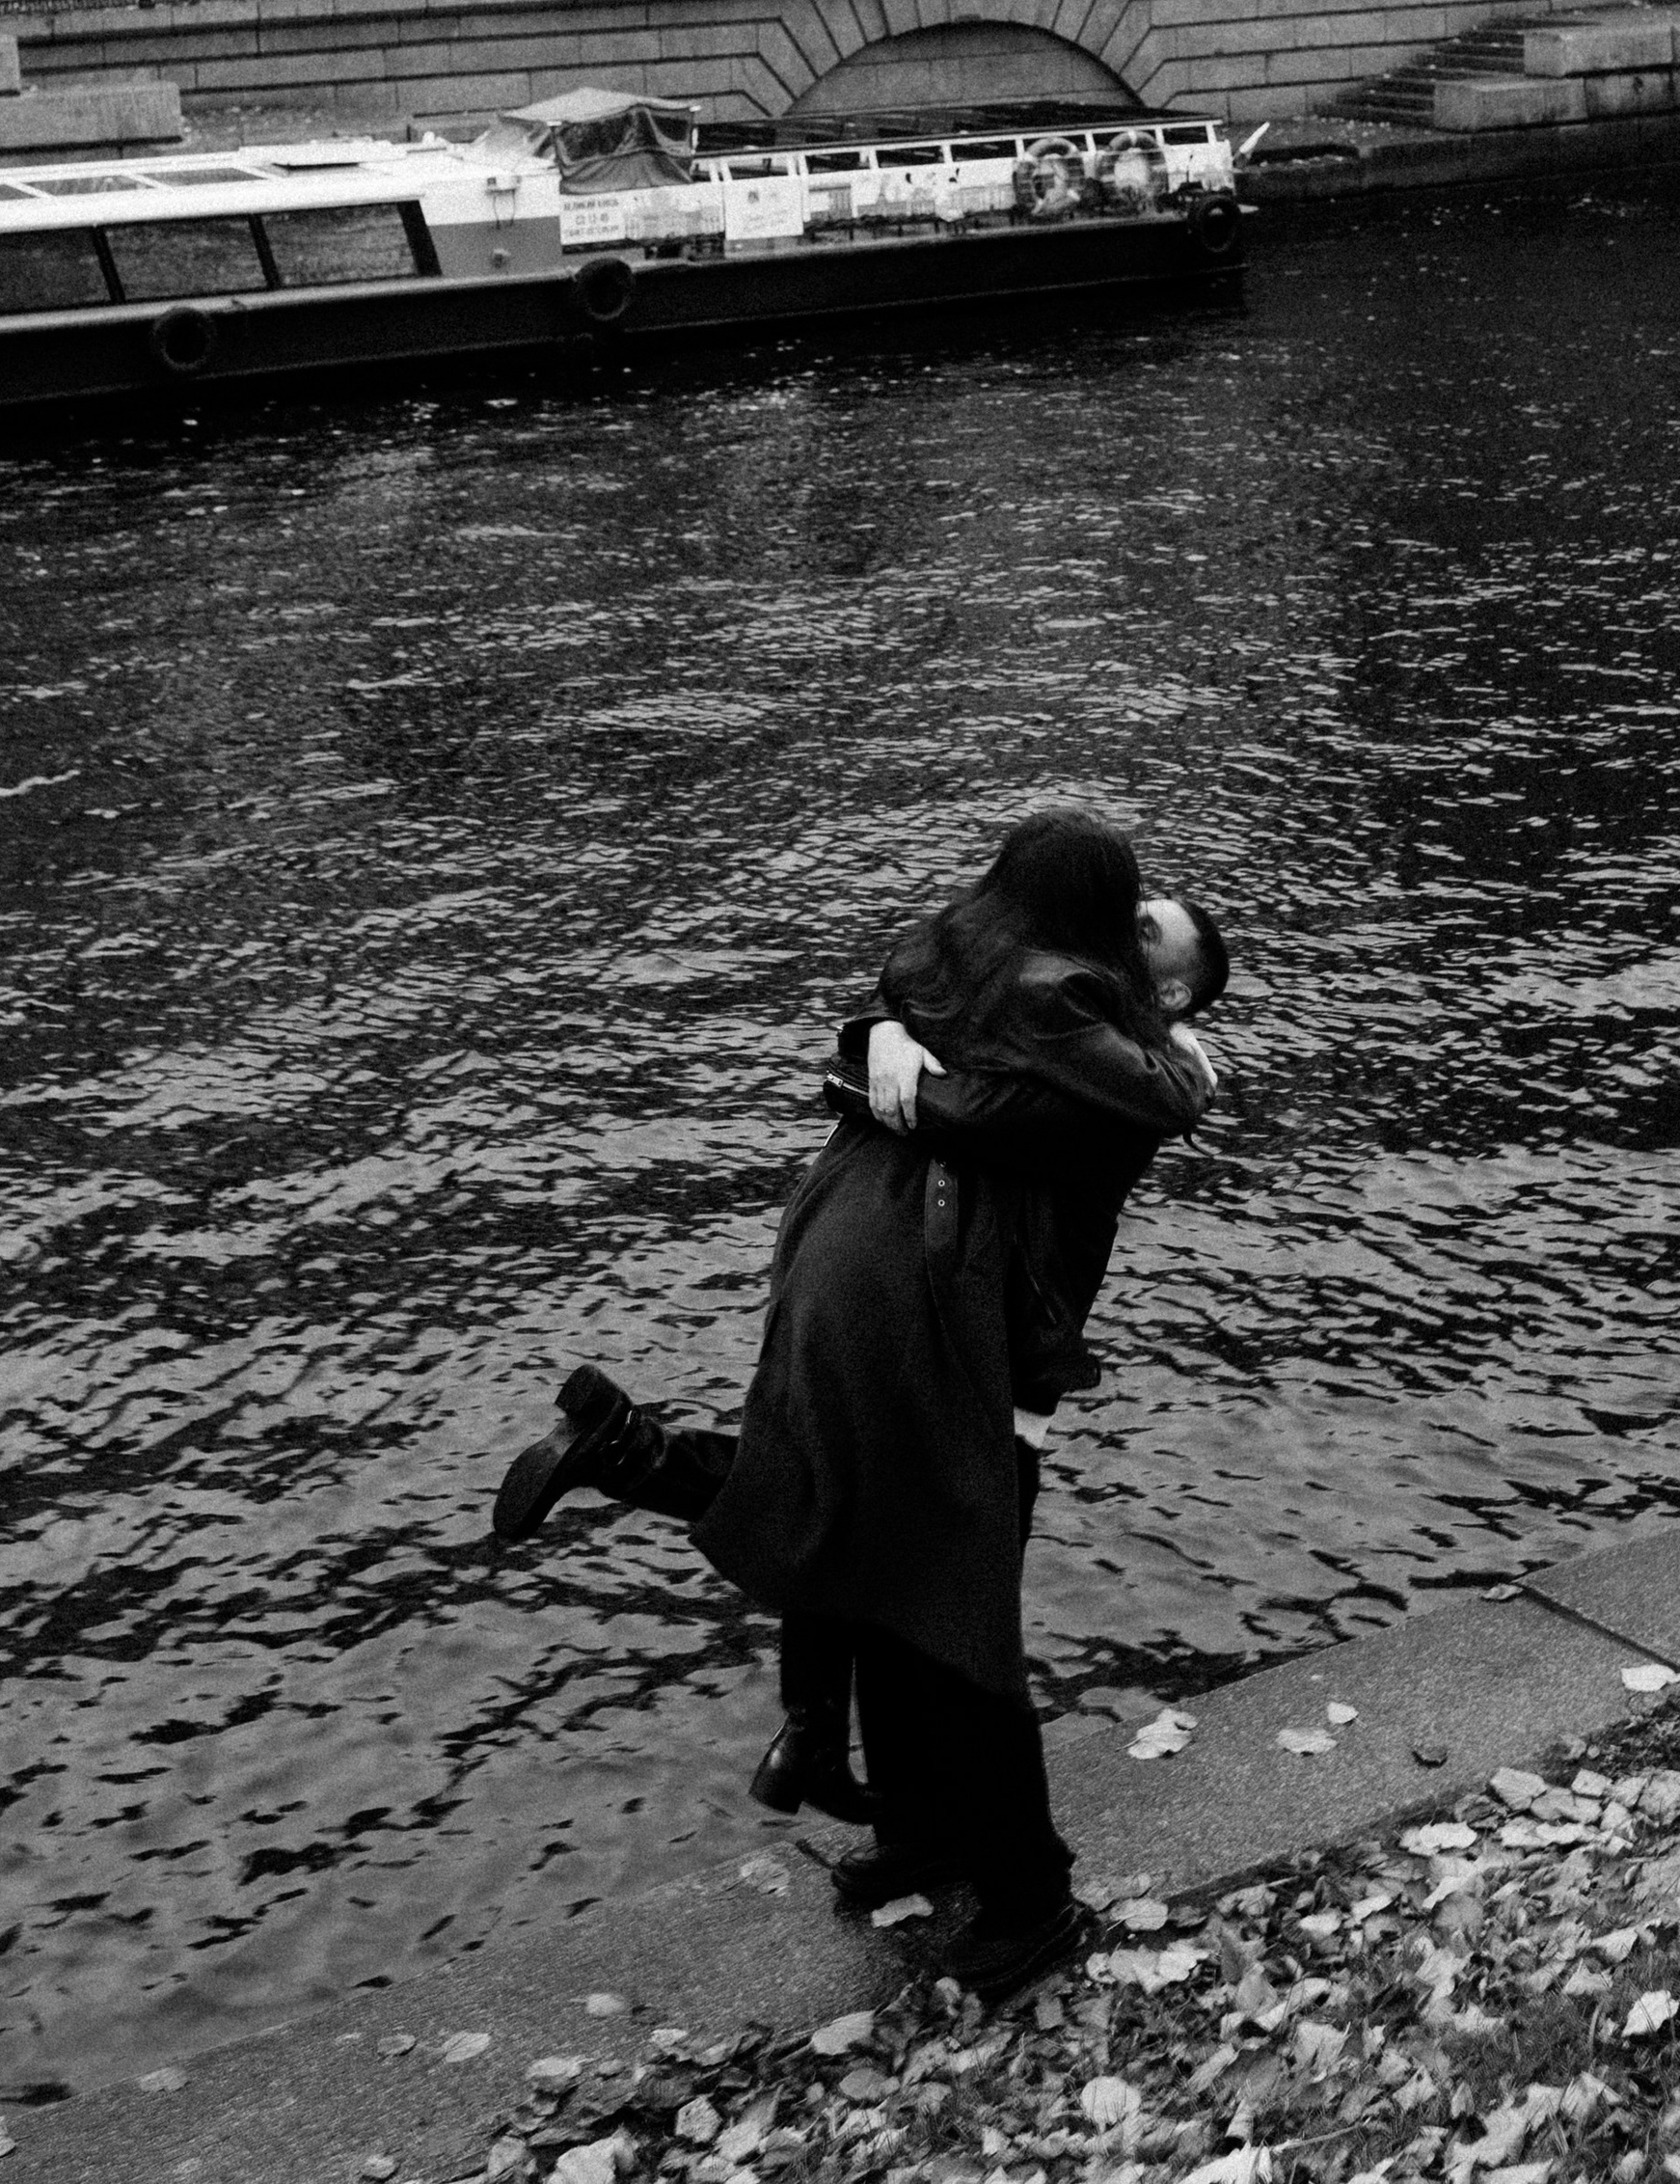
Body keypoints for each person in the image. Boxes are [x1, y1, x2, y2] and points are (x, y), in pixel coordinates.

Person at [487, 815, 1226, 2002]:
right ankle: (1020, 1892)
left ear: (1176, 988)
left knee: (889, 1578)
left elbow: (974, 1098)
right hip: (944, 1340)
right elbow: (968, 1071)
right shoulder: (1037, 1024)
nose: (1130, 929)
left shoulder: (1086, 1059)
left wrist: (879, 1055)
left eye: (1151, 932)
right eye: (1128, 913)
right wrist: (878, 1038)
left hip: (905, 1309)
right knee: (947, 1618)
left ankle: (921, 1824)